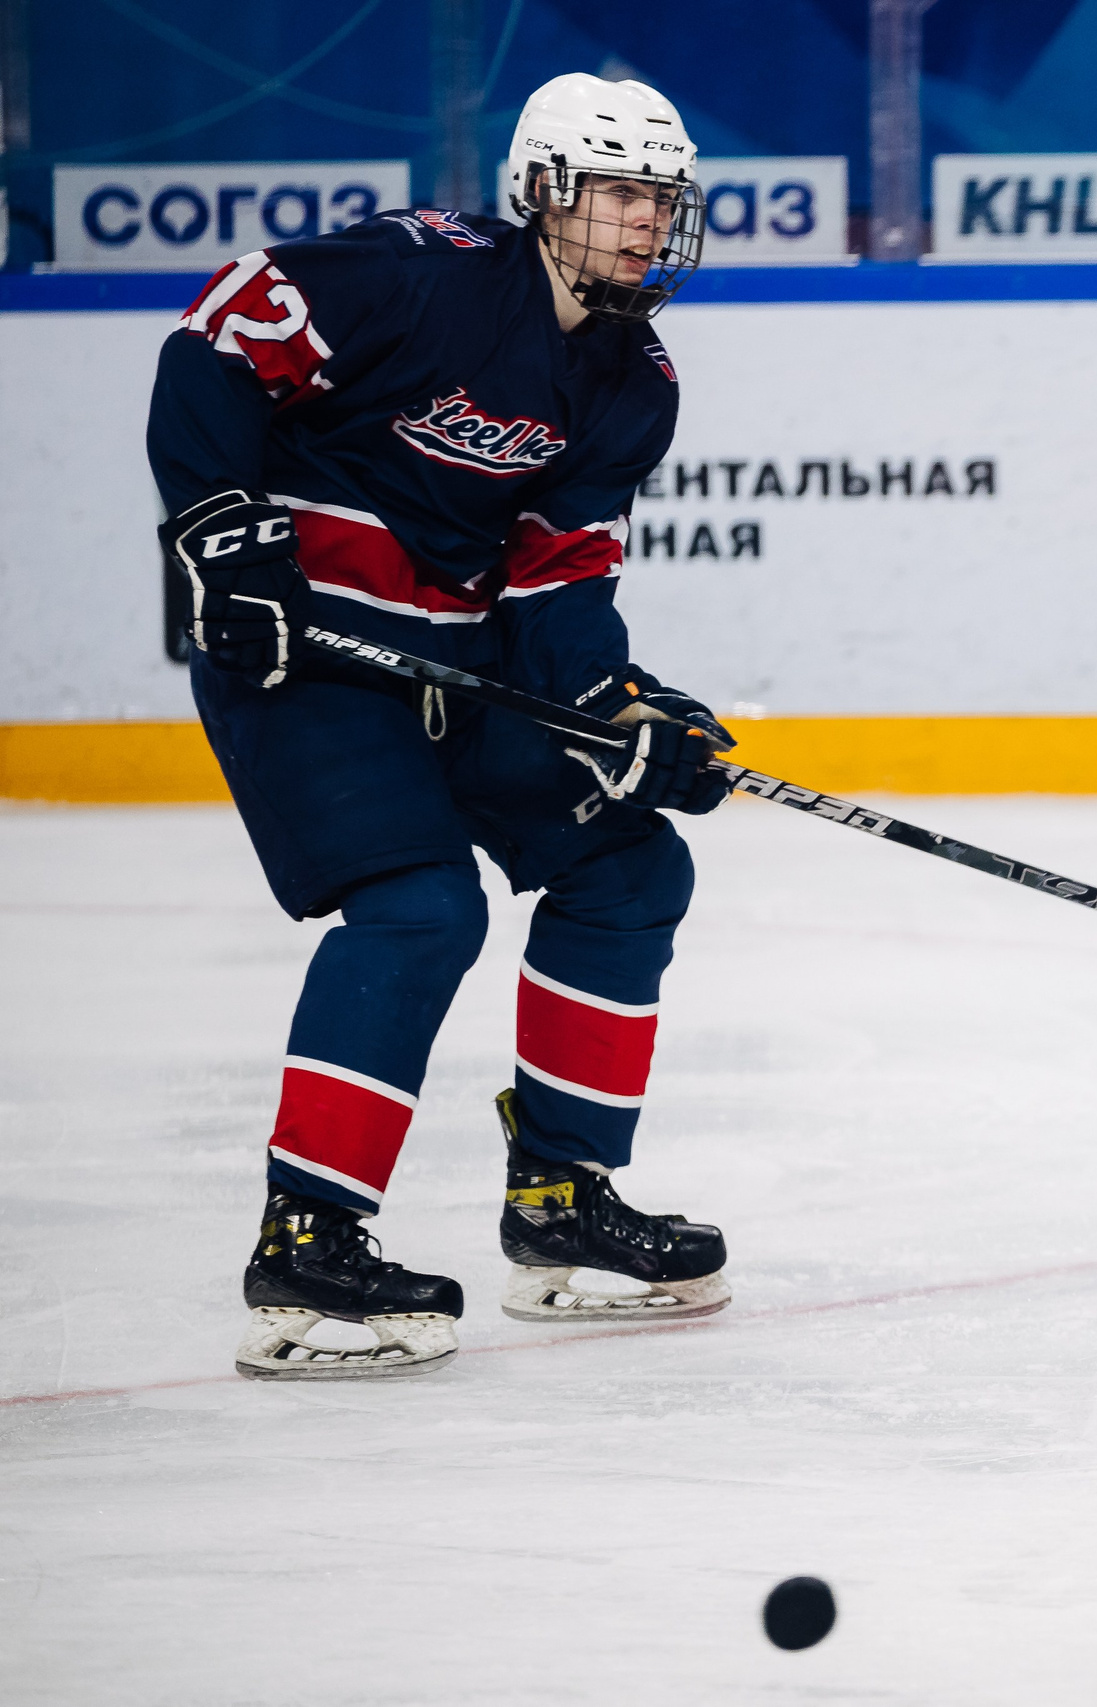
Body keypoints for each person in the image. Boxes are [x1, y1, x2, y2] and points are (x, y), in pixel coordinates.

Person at [147, 74, 735, 1381]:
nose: (648, 224)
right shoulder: (423, 274)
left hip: (460, 668)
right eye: (622, 194)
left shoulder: (632, 381)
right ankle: (308, 1235)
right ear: (546, 194)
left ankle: (562, 1201)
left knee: (632, 859)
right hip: (309, 655)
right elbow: (217, 339)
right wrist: (225, 536)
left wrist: (613, 709)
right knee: (422, 906)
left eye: (664, 199)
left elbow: (558, 577)